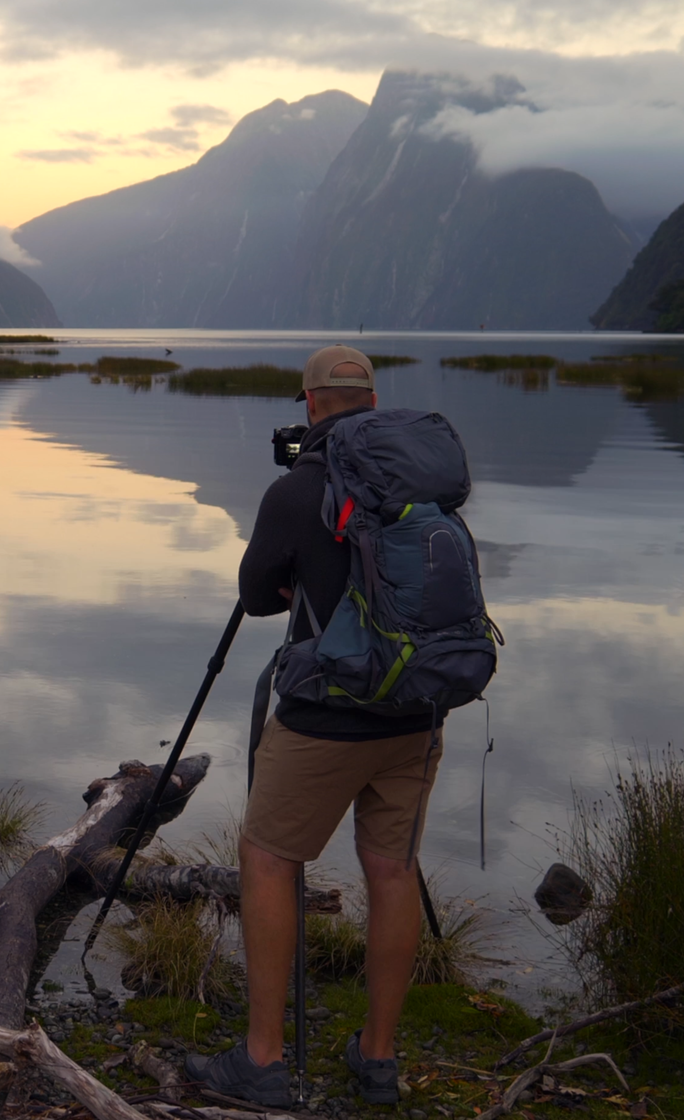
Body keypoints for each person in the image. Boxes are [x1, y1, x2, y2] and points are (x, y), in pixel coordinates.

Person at [184, 344, 443, 1107]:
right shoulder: (424, 479)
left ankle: (263, 1060)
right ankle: (378, 1058)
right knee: (392, 870)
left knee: (267, 858)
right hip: (418, 705)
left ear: (308, 405)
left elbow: (259, 596)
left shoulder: (300, 489)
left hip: (328, 714)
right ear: (372, 402)